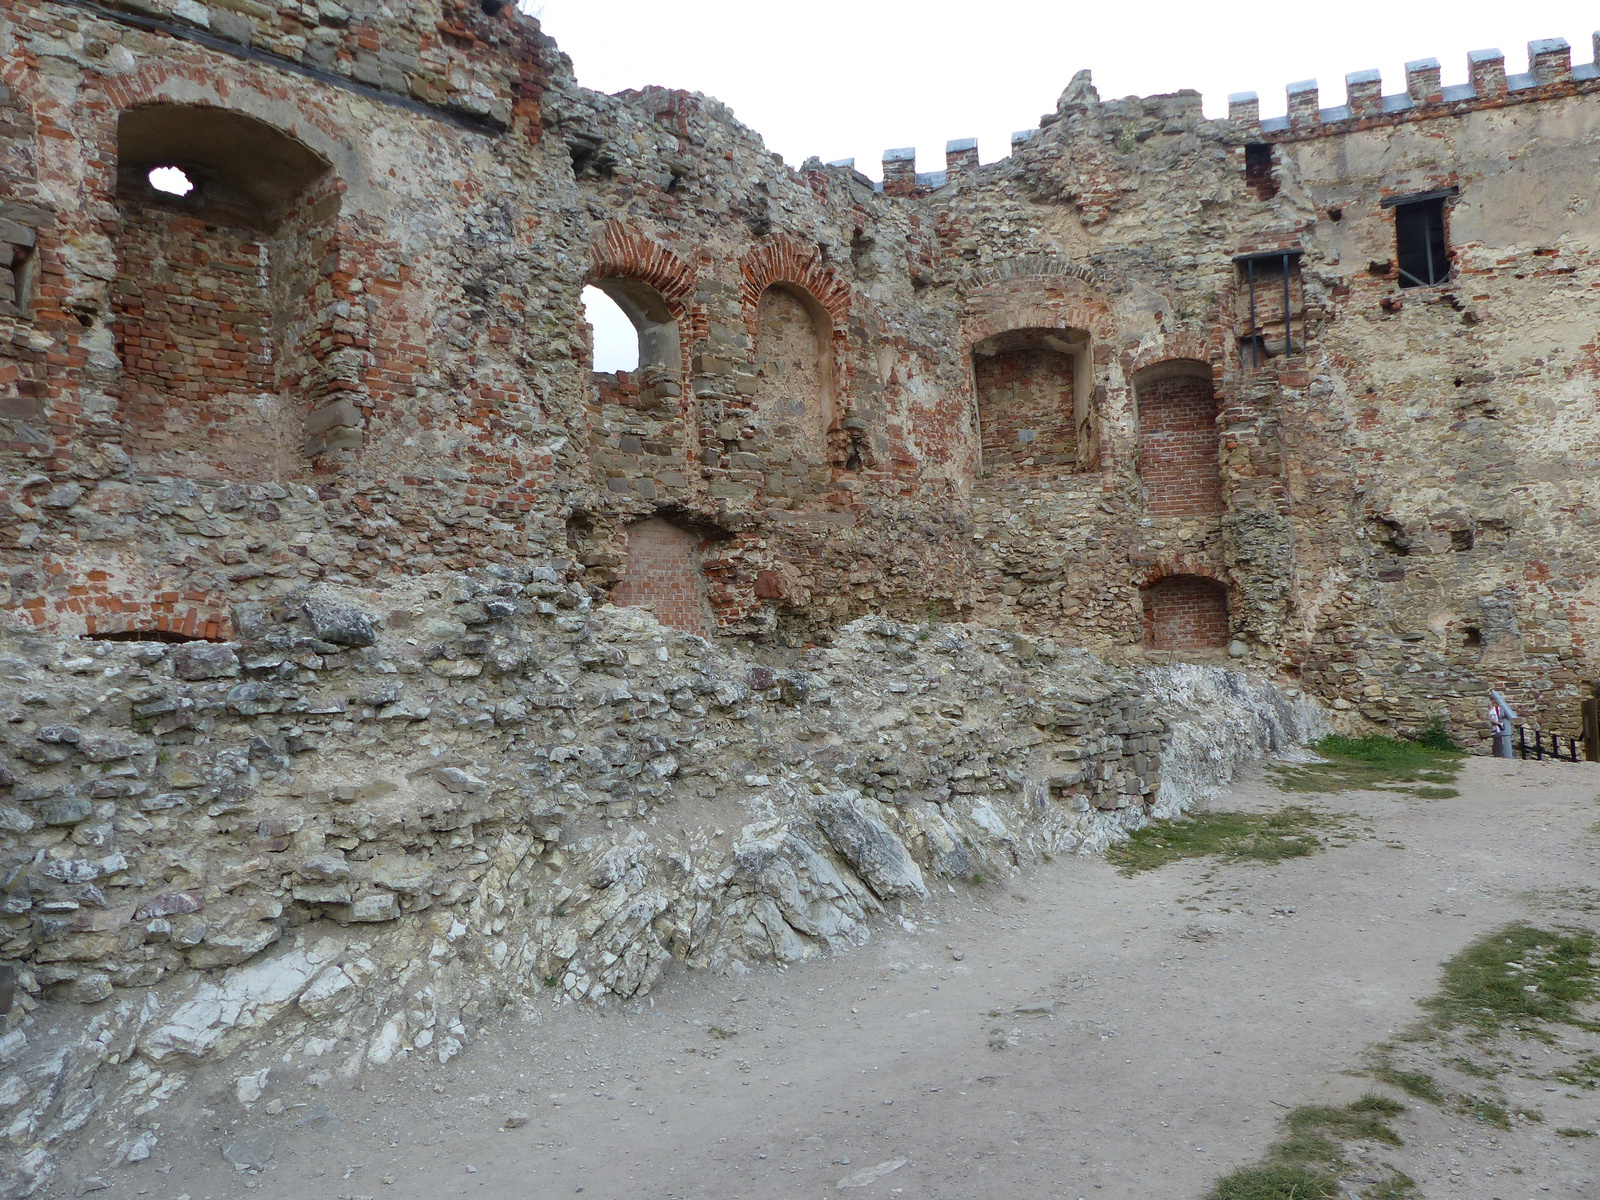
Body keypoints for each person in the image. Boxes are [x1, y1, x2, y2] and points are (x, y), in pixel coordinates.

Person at [1489, 690, 1517, 759]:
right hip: (1492, 729)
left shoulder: (1497, 709)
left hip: (1497, 729)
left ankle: (1498, 756)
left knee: (1498, 741)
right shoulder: (1486, 710)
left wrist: (1497, 723)